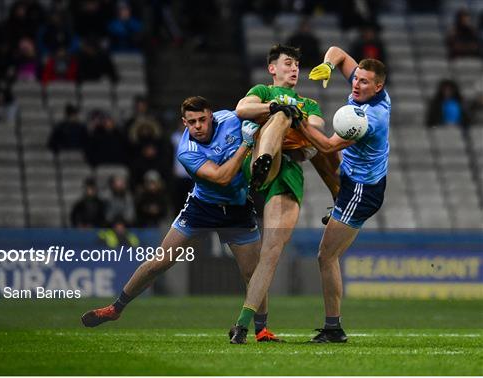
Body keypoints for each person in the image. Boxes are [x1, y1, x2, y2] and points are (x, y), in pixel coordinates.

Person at [81, 96, 282, 342]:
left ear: (212, 116)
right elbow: (221, 178)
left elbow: (263, 116)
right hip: (202, 207)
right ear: (184, 123)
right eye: (191, 122)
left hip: (238, 208)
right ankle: (115, 309)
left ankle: (261, 330)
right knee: (160, 262)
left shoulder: (231, 119)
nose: (197, 126)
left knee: (253, 273)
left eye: (202, 120)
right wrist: (246, 146)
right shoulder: (187, 151)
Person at [229, 44, 339, 344]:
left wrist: (294, 116)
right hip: (262, 157)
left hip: (288, 171)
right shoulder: (263, 91)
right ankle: (263, 164)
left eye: (297, 64)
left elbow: (315, 128)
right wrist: (278, 109)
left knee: (271, 252)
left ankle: (242, 325)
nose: (294, 69)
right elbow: (242, 109)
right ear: (272, 69)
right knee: (280, 116)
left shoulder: (309, 104)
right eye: (288, 63)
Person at [301, 46, 390, 342]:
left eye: (364, 82)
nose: (356, 83)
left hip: (360, 191)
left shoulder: (369, 118)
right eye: (356, 79)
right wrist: (327, 64)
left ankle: (333, 328)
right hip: (353, 177)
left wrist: (297, 120)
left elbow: (328, 146)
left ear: (379, 87)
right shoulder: (369, 88)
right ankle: (336, 201)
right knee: (309, 149)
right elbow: (338, 52)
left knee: (326, 256)